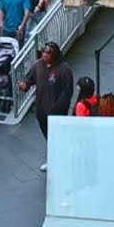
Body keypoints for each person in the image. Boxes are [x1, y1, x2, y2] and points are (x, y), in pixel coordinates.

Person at [18, 41, 74, 172]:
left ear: (55, 54)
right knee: (48, 135)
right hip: (41, 110)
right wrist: (25, 85)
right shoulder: (39, 65)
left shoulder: (64, 69)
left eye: (48, 53)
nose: (45, 55)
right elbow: (30, 79)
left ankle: (59, 159)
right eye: (43, 52)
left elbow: (67, 92)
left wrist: (57, 108)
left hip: (56, 112)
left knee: (57, 136)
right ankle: (54, 158)